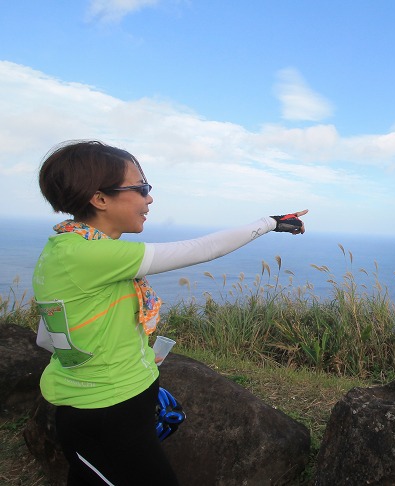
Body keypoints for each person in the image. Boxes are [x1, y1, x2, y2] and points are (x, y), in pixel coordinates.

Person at [32, 140, 307, 485]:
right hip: (105, 409)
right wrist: (269, 222)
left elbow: (50, 334)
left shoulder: (66, 249)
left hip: (119, 400)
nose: (149, 199)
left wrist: (133, 360)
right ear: (100, 198)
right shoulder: (89, 257)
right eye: (141, 188)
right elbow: (203, 249)